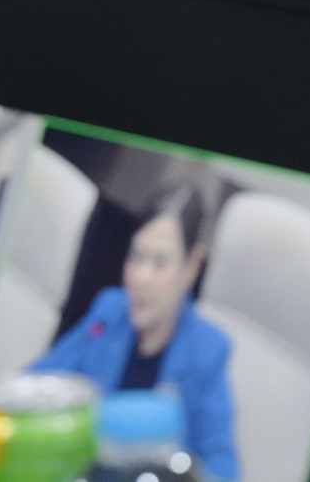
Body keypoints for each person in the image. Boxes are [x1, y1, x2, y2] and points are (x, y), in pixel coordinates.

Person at [32, 187, 239, 480]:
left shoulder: (207, 351)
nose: (141, 277)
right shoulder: (109, 312)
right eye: (136, 256)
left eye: (159, 262)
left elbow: (222, 468)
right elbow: (40, 380)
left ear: (191, 267)